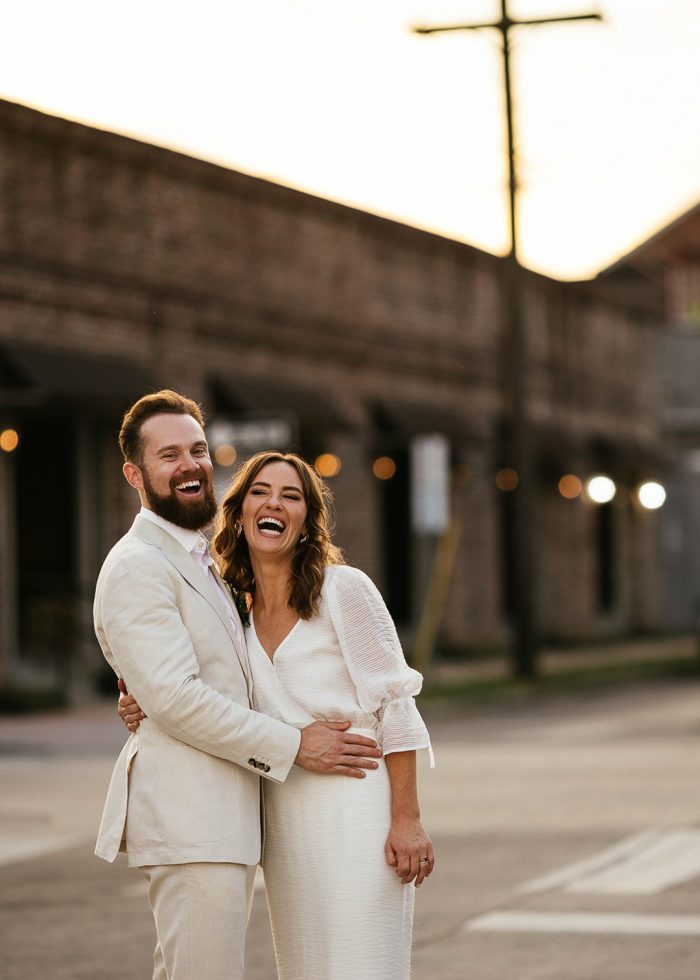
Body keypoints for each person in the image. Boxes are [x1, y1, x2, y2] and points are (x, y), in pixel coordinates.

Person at [94, 390, 382, 980]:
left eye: (198, 449)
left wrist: (142, 698)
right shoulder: (138, 566)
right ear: (135, 473)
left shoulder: (207, 564)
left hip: (230, 821)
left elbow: (215, 676)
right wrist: (295, 743)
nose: (191, 464)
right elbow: (177, 698)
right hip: (191, 820)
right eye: (169, 454)